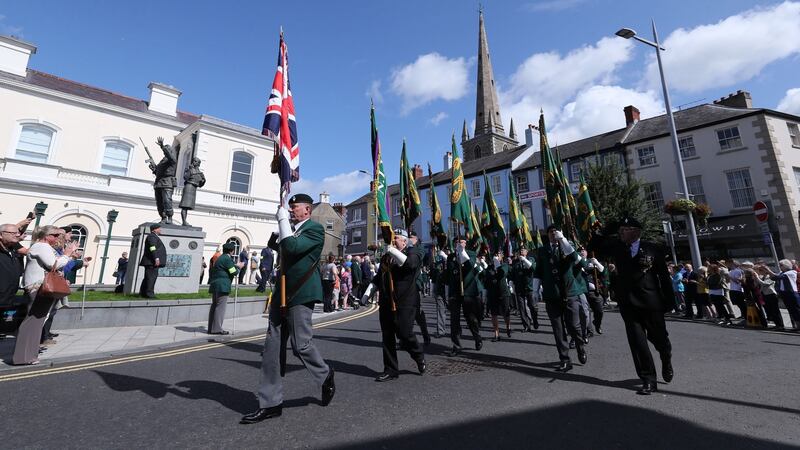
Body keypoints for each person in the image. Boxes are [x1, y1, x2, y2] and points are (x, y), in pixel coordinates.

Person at [242, 194, 334, 425]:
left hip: (301, 293)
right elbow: (276, 244)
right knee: (272, 348)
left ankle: (325, 375)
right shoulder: (293, 228)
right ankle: (270, 403)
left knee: (301, 345)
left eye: (295, 208)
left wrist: (284, 222)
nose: (291, 211)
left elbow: (291, 248)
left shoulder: (314, 229)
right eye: (290, 207)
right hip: (282, 293)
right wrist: (281, 223)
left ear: (307, 210)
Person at [588, 216, 673, 395]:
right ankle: (648, 379)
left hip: (651, 302)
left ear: (636, 231)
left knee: (660, 339)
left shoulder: (652, 248)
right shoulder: (617, 247)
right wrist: (606, 230)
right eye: (620, 230)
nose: (621, 233)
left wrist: (669, 301)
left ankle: (666, 357)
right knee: (637, 342)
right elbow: (593, 246)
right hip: (628, 302)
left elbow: (664, 277)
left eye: (624, 229)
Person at [361, 228, 426, 382]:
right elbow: (378, 277)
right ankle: (391, 369)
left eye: (396, 238)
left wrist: (392, 251)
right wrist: (365, 295)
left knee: (404, 334)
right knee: (387, 336)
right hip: (386, 301)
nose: (393, 240)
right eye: (392, 238)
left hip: (404, 302)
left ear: (405, 241)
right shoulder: (386, 257)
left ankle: (418, 355)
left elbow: (408, 264)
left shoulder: (413, 254)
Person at [13, 226, 78, 365]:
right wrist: (67, 254)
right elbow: (53, 264)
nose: (57, 237)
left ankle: (28, 355)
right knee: (34, 321)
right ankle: (24, 357)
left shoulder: (43, 246)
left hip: (39, 287)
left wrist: (67, 256)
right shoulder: (42, 246)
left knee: (36, 322)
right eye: (54, 235)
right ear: (45, 235)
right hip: (38, 287)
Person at [533, 225, 592, 372]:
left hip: (570, 292)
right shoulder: (542, 250)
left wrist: (563, 240)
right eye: (551, 232)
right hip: (552, 294)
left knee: (574, 326)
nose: (553, 234)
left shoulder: (568, 246)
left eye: (556, 231)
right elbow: (538, 271)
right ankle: (565, 359)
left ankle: (580, 347)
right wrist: (535, 290)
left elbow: (579, 262)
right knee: (558, 330)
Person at [444, 236, 484, 356]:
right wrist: (448, 293)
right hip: (455, 293)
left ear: (465, 243)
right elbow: (450, 275)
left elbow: (470, 266)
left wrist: (462, 254)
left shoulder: (471, 254)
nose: (460, 244)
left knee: (471, 319)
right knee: (454, 321)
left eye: (462, 242)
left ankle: (477, 338)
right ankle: (456, 345)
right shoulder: (451, 257)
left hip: (468, 291)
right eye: (457, 242)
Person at [207, 242, 245, 335]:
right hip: (223, 286)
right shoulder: (227, 259)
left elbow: (225, 267)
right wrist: (239, 267)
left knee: (214, 306)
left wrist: (234, 265)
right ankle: (217, 329)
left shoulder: (220, 258)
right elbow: (233, 272)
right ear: (232, 251)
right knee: (220, 308)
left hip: (215, 284)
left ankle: (211, 328)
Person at [760, 260, 800, 330]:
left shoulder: (791, 272)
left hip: (791, 293)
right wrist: (767, 271)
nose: (780, 267)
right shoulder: (782, 273)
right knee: (791, 311)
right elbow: (774, 278)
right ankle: (798, 326)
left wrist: (768, 270)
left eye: (781, 265)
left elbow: (777, 277)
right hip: (785, 294)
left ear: (786, 266)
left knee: (796, 310)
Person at [147, 136, 179, 224]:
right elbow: (158, 172)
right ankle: (163, 217)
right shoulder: (162, 161)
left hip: (167, 182)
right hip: (159, 183)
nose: (166, 150)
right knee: (159, 202)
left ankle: (170, 217)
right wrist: (154, 169)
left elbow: (170, 156)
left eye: (168, 149)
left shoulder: (172, 160)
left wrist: (162, 146)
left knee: (167, 200)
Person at [484, 250, 512, 341]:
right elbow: (487, 279)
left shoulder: (504, 266)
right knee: (494, 314)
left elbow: (501, 274)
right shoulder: (489, 267)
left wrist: (497, 264)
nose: (496, 256)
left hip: (503, 293)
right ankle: (496, 334)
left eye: (498, 254)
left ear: (502, 256)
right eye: (495, 254)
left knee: (505, 313)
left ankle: (508, 327)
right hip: (493, 293)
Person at [408, 231, 430, 346]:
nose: (409, 239)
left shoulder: (419, 248)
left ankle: (425, 334)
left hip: (414, 284)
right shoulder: (406, 248)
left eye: (411, 237)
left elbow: (418, 258)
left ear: (416, 238)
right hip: (404, 285)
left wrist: (410, 248)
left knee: (417, 313)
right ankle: (405, 338)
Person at [580, 247, 606, 335]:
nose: (582, 252)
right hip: (582, 292)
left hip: (594, 292)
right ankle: (589, 330)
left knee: (599, 311)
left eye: (584, 250)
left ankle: (597, 323)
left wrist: (596, 263)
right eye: (580, 251)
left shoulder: (591, 262)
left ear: (587, 253)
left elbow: (602, 271)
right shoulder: (577, 263)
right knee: (585, 312)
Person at [512, 248, 537, 332]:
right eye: (520, 250)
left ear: (527, 252)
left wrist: (524, 260)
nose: (521, 251)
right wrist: (512, 283)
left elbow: (532, 268)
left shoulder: (531, 259)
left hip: (529, 287)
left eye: (523, 250)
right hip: (519, 287)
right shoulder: (515, 262)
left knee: (532, 306)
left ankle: (535, 319)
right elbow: (513, 274)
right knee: (522, 308)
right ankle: (526, 325)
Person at [139, 223, 166, 299]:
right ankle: (149, 294)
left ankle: (143, 293)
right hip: (151, 261)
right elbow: (152, 247)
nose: (160, 230)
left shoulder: (153, 236)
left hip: (151, 261)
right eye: (159, 228)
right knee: (151, 278)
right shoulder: (152, 236)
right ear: (154, 229)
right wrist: (156, 258)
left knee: (148, 278)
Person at [179, 156, 205, 227]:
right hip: (189, 187)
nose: (194, 162)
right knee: (185, 205)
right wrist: (188, 170)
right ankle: (184, 221)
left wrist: (203, 180)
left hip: (194, 188)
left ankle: (184, 221)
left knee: (188, 206)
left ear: (199, 164)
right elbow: (185, 177)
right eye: (194, 160)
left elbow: (200, 184)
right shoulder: (190, 169)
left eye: (196, 161)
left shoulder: (200, 173)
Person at [431, 247, 449, 338]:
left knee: (454, 312)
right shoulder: (438, 263)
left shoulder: (453, 261)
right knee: (440, 310)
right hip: (440, 289)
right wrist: (434, 289)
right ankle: (441, 331)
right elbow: (434, 276)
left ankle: (457, 331)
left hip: (450, 290)